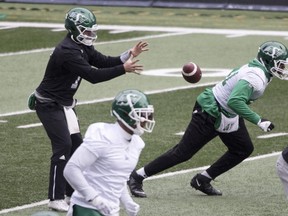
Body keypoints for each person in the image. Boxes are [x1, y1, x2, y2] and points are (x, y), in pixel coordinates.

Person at [128, 41, 288, 198]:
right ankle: (137, 177)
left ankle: (203, 179)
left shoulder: (258, 70)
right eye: (280, 64)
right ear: (267, 61)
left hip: (227, 112)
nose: (282, 68)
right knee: (182, 153)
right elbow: (235, 100)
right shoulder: (256, 76)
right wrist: (259, 120)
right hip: (210, 110)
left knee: (243, 148)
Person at [29, 7, 149, 212]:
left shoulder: (80, 46)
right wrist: (123, 69)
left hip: (64, 103)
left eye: (91, 31)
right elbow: (93, 76)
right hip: (49, 103)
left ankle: (69, 192)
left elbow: (101, 61)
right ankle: (54, 197)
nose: (90, 35)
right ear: (74, 30)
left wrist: (127, 55)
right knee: (63, 146)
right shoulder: (67, 51)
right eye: (86, 31)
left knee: (76, 145)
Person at [63, 89, 155, 216]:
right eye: (142, 115)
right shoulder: (103, 136)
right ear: (127, 115)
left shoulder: (137, 144)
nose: (146, 120)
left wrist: (127, 201)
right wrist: (94, 198)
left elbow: (117, 176)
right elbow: (71, 169)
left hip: (110, 210)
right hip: (86, 208)